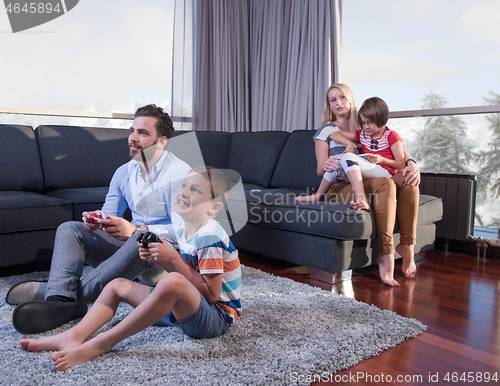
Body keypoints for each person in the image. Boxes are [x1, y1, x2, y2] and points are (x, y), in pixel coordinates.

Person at [19, 166, 241, 372]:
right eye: (184, 185)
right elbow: (146, 234)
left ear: (213, 207)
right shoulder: (184, 227)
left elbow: (212, 295)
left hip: (215, 317)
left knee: (173, 281)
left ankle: (101, 344)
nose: (184, 192)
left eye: (195, 190)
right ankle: (73, 336)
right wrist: (158, 257)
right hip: (186, 309)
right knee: (117, 286)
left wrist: (173, 260)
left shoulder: (209, 237)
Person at [8, 104, 192, 334]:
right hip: (129, 251)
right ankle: (59, 300)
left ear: (162, 141)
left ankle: (63, 294)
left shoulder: (180, 173)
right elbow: (110, 214)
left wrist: (135, 230)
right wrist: (98, 221)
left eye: (143, 133)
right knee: (70, 229)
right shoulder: (124, 172)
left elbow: (184, 231)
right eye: (132, 131)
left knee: (143, 239)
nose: (133, 138)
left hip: (165, 261)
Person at [310, 84, 420, 286]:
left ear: (351, 100)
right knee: (385, 184)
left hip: (373, 177)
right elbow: (320, 171)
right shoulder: (327, 130)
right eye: (333, 100)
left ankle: (407, 245)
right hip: (340, 186)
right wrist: (325, 164)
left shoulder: (365, 126)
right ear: (329, 105)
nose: (338, 103)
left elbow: (396, 150)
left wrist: (412, 163)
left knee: (408, 181)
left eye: (342, 97)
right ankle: (386, 254)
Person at [296, 97, 405, 211]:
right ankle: (319, 195)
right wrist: (349, 144)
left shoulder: (391, 135)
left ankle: (361, 198)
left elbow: (401, 164)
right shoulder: (363, 134)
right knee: (337, 162)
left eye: (370, 123)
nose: (366, 126)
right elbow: (334, 135)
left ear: (381, 120)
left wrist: (381, 160)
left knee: (347, 156)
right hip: (369, 169)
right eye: (363, 123)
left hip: (385, 171)